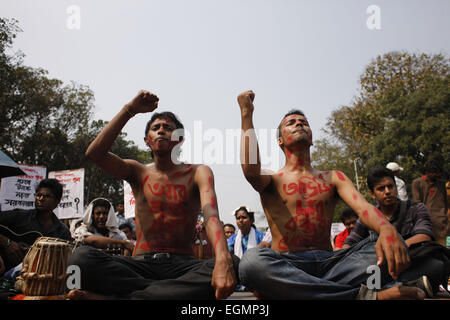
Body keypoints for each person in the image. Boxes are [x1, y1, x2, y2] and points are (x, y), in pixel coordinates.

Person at [236, 90, 423, 300]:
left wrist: (387, 229)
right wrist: (246, 114)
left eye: (304, 122)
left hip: (333, 263)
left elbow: (364, 208)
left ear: (312, 137)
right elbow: (251, 171)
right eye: (292, 123)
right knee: (251, 263)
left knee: (387, 246)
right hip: (288, 263)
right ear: (280, 140)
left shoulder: (334, 177)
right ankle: (363, 296)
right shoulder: (272, 179)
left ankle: (296, 292)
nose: (299, 124)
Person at [68, 90, 237, 300]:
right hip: (140, 265)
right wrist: (129, 110)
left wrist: (222, 258)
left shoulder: (198, 172)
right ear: (147, 140)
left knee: (234, 264)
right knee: (79, 259)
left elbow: (211, 215)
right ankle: (162, 292)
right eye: (155, 128)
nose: (161, 131)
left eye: (168, 128)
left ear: (180, 139)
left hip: (182, 266)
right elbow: (94, 154)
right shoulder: (137, 172)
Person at [344, 166, 449, 296]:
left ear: (395, 187)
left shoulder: (416, 209)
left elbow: (424, 235)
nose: (387, 191)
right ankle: (404, 287)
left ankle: (388, 289)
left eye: (390, 186)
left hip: (411, 263)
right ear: (372, 194)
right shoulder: (367, 218)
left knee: (437, 266)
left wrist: (395, 249)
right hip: (378, 268)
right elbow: (349, 243)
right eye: (381, 188)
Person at [0, 179, 72, 279]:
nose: (41, 199)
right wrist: (7, 243)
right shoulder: (20, 216)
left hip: (40, 279)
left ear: (57, 201)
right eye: (38, 195)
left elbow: (67, 257)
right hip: (6, 272)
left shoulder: (62, 231)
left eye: (46, 196)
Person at [412, 160, 449, 246]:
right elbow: (417, 203)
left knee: (447, 245)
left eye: (438, 173)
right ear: (427, 172)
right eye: (435, 173)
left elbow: (445, 201)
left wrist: (446, 214)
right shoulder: (417, 183)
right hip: (427, 221)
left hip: (443, 222)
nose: (437, 175)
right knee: (430, 247)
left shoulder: (441, 184)